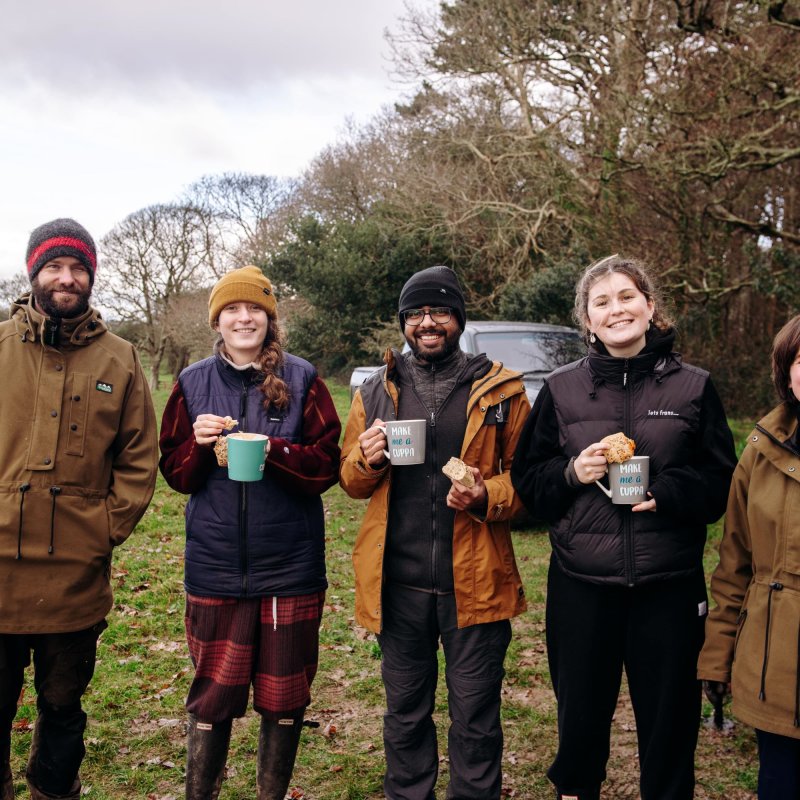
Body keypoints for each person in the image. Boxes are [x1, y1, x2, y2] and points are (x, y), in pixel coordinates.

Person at [511, 254, 737, 800]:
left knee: (670, 728)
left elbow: (722, 482)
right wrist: (571, 471)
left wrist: (668, 492)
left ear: (650, 307)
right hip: (583, 586)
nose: (617, 310)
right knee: (581, 723)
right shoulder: (562, 390)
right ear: (587, 321)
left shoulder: (694, 387)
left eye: (627, 296)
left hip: (670, 585)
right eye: (602, 302)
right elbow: (529, 484)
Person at [339, 265, 530, 800]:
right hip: (397, 586)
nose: (427, 322)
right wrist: (367, 460)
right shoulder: (376, 391)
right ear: (403, 323)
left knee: (475, 721)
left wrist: (485, 495)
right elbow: (350, 481)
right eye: (416, 314)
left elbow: (530, 482)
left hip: (475, 587)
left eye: (440, 311)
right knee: (404, 716)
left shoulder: (502, 392)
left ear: (458, 320)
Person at [158, 265, 341, 800]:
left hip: (290, 567)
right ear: (218, 320)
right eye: (232, 309)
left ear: (269, 317)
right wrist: (195, 443)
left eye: (254, 308)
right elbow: (175, 472)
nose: (244, 317)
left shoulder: (304, 378)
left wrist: (275, 450)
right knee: (213, 698)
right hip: (215, 567)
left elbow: (326, 465)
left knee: (285, 699)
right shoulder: (193, 382)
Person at [0, 218, 158, 800]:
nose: (66, 279)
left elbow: (140, 457)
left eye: (78, 269)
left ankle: (52, 789)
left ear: (91, 276)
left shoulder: (120, 359)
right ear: (33, 272)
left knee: (63, 705)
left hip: (76, 574)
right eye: (54, 267)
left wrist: (102, 532)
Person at [698, 314, 800, 798]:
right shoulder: (760, 451)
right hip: (773, 670)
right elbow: (733, 565)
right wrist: (717, 660)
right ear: (786, 372)